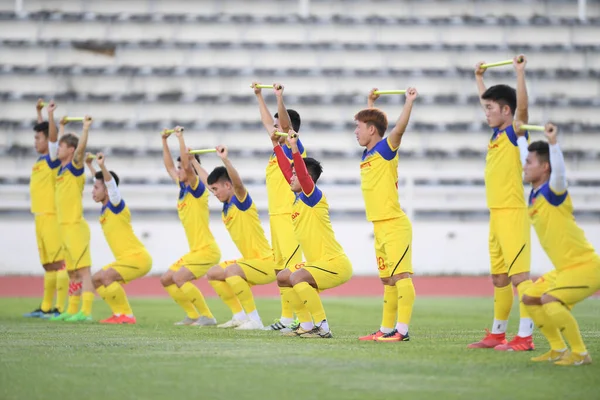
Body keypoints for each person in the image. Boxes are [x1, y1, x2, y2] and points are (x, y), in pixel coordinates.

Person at [469, 55, 535, 351]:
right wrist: (479, 78)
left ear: (506, 112)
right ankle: (497, 334)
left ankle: (526, 337)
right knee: (499, 277)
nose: (486, 113)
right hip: (496, 214)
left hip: (513, 214)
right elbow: (488, 102)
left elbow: (522, 109)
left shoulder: (512, 131)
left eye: (491, 109)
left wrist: (519, 72)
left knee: (520, 277)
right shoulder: (496, 134)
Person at [521, 122, 599, 366]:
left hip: (584, 266)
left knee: (550, 301)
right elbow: (526, 153)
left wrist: (553, 144)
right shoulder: (534, 193)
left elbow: (560, 173)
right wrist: (519, 135)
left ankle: (580, 354)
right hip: (564, 269)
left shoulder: (553, 191)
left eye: (529, 163)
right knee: (530, 297)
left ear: (545, 168)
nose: (523, 166)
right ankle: (557, 349)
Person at [272, 130, 352, 338]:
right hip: (319, 264)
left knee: (297, 276)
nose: (291, 178)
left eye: (296, 174)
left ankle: (323, 327)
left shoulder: (313, 196)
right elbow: (286, 170)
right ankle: (306, 325)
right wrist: (276, 146)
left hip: (334, 263)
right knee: (283, 277)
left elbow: (301, 173)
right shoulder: (299, 197)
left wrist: (294, 148)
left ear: (307, 178)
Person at [355, 88, 418, 342]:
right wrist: (370, 103)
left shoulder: (386, 149)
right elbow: (373, 122)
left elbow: (398, 130)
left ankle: (401, 331)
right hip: (379, 226)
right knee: (388, 280)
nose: (356, 131)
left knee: (401, 276)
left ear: (371, 130)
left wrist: (409, 102)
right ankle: (385, 329)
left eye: (358, 127)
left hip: (394, 224)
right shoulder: (368, 153)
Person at [205, 146, 278, 330]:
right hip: (250, 261)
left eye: (216, 189)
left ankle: (255, 321)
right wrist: (191, 164)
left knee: (232, 272)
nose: (214, 193)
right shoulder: (226, 205)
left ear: (227, 185)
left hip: (267, 262)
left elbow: (238, 185)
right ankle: (239, 316)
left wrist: (225, 160)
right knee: (213, 273)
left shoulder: (241, 201)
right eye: (212, 190)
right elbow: (207, 182)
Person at [252, 82, 305, 331]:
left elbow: (284, 124)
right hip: (275, 216)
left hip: (289, 216)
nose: (273, 129)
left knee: (293, 270)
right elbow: (268, 122)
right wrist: (260, 96)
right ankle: (286, 318)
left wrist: (279, 98)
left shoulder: (294, 146)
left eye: (278, 126)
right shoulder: (275, 152)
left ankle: (303, 318)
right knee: (280, 271)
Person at [159, 127, 221, 326]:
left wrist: (180, 138)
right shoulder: (183, 187)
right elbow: (169, 167)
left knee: (179, 278)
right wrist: (164, 141)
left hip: (207, 250)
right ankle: (192, 315)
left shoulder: (196, 187)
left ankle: (207, 317)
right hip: (196, 250)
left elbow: (185, 167)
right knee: (166, 279)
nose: (178, 171)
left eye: (182, 167)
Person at [86, 153, 152, 324]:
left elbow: (110, 186)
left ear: (107, 190)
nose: (92, 191)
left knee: (107, 277)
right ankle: (118, 314)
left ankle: (127, 315)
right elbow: (102, 182)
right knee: (97, 279)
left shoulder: (116, 205)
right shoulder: (105, 207)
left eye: (96, 188)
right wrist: (90, 166)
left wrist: (101, 166)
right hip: (126, 259)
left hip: (137, 258)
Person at [23, 99, 69, 318]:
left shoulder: (52, 159)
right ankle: (45, 307)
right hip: (39, 216)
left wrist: (50, 116)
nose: (35, 142)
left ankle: (59, 308)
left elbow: (51, 138)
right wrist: (39, 113)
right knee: (48, 264)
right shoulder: (41, 160)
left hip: (51, 216)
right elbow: (45, 134)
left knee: (59, 263)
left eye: (36, 138)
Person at [49, 114, 95, 322]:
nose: (57, 149)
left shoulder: (75, 168)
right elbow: (57, 146)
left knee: (84, 270)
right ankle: (72, 309)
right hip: (63, 227)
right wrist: (60, 126)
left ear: (69, 150)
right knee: (72, 272)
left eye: (61, 146)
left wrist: (84, 128)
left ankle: (85, 311)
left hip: (76, 226)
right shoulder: (60, 170)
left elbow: (80, 151)